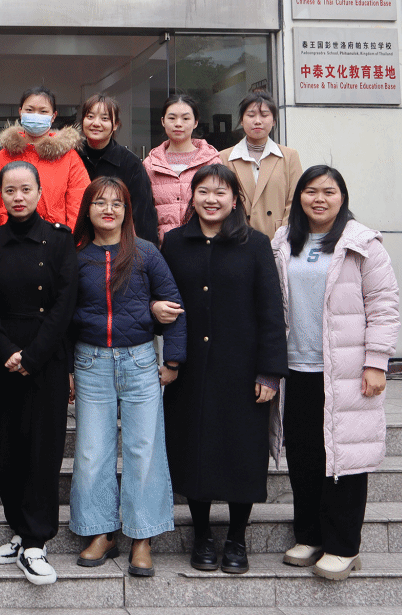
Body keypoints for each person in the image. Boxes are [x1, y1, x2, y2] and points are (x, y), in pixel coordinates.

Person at [270, 166, 400, 581]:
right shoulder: (283, 241)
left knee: (344, 456)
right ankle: (309, 536)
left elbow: (384, 305)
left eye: (329, 191)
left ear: (342, 197)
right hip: (296, 368)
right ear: (299, 198)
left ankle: (343, 546)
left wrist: (376, 362)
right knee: (304, 455)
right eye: (311, 191)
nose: (319, 199)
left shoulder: (362, 244)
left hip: (345, 370)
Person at [159, 164, 287, 575]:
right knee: (193, 449)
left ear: (235, 200)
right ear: (192, 196)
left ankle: (236, 538)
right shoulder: (174, 242)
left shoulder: (256, 245)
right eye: (203, 191)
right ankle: (201, 536)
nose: (211, 199)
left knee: (241, 452)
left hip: (242, 370)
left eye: (220, 192)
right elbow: (160, 295)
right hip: (190, 370)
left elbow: (272, 312)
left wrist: (270, 372)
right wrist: (155, 312)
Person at [69, 176, 185, 578]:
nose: (108, 210)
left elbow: (174, 306)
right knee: (91, 450)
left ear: (127, 211)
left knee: (144, 449)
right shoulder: (76, 256)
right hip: (90, 362)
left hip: (139, 361)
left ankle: (142, 537)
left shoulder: (146, 253)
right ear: (87, 210)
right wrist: (67, 368)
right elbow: (64, 315)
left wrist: (173, 361)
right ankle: (101, 532)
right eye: (100, 202)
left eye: (117, 203)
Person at [0, 161, 78, 586]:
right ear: (0, 196)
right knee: (10, 446)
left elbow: (65, 304)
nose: (18, 197)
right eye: (10, 190)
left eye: (25, 189)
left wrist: (33, 356)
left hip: (46, 358)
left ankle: (38, 540)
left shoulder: (59, 240)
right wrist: (7, 351)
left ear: (40, 193)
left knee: (44, 448)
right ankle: (19, 532)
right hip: (3, 358)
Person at [0, 86, 89, 230]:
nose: (36, 115)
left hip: (54, 237)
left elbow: (79, 204)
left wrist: (69, 239)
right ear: (20, 112)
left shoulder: (69, 158)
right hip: (9, 236)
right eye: (29, 110)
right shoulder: (3, 156)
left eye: (43, 111)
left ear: (53, 116)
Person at [76, 93, 159, 244]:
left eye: (104, 118)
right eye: (90, 117)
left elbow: (143, 214)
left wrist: (146, 252)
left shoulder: (130, 163)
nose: (96, 123)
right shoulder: (72, 157)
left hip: (118, 245)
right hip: (78, 244)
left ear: (115, 125)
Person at [219, 90, 303, 237]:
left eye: (264, 115)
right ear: (241, 120)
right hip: (237, 237)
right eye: (251, 115)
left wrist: (282, 237)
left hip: (278, 238)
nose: (257, 121)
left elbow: (295, 201)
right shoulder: (224, 157)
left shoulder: (289, 156)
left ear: (274, 120)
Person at [144, 94, 220, 238]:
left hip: (202, 243)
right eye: (172, 118)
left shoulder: (211, 162)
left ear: (195, 122)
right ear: (163, 121)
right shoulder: (150, 164)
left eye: (185, 118)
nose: (178, 124)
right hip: (161, 246)